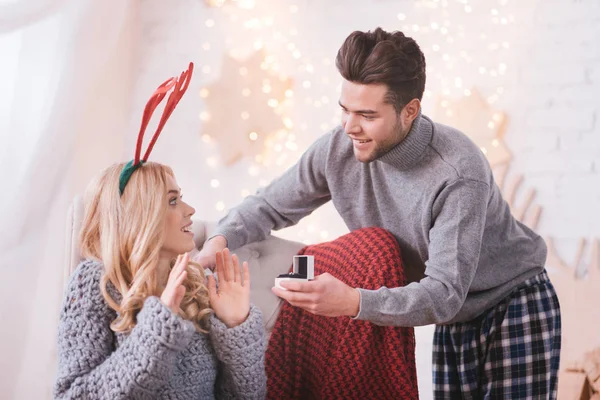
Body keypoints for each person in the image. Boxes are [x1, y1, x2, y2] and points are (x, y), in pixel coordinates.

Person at [196, 28, 561, 399]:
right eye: (345, 109)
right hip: (454, 318)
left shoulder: (456, 172)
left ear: (410, 111)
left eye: (367, 115)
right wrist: (218, 240)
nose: (350, 127)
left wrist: (353, 302)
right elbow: (269, 205)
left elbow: (445, 292)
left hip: (512, 302)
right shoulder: (337, 149)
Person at [54, 63, 266, 399]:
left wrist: (237, 326)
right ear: (141, 216)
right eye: (172, 201)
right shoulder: (95, 283)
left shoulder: (197, 285)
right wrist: (158, 327)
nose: (190, 210)